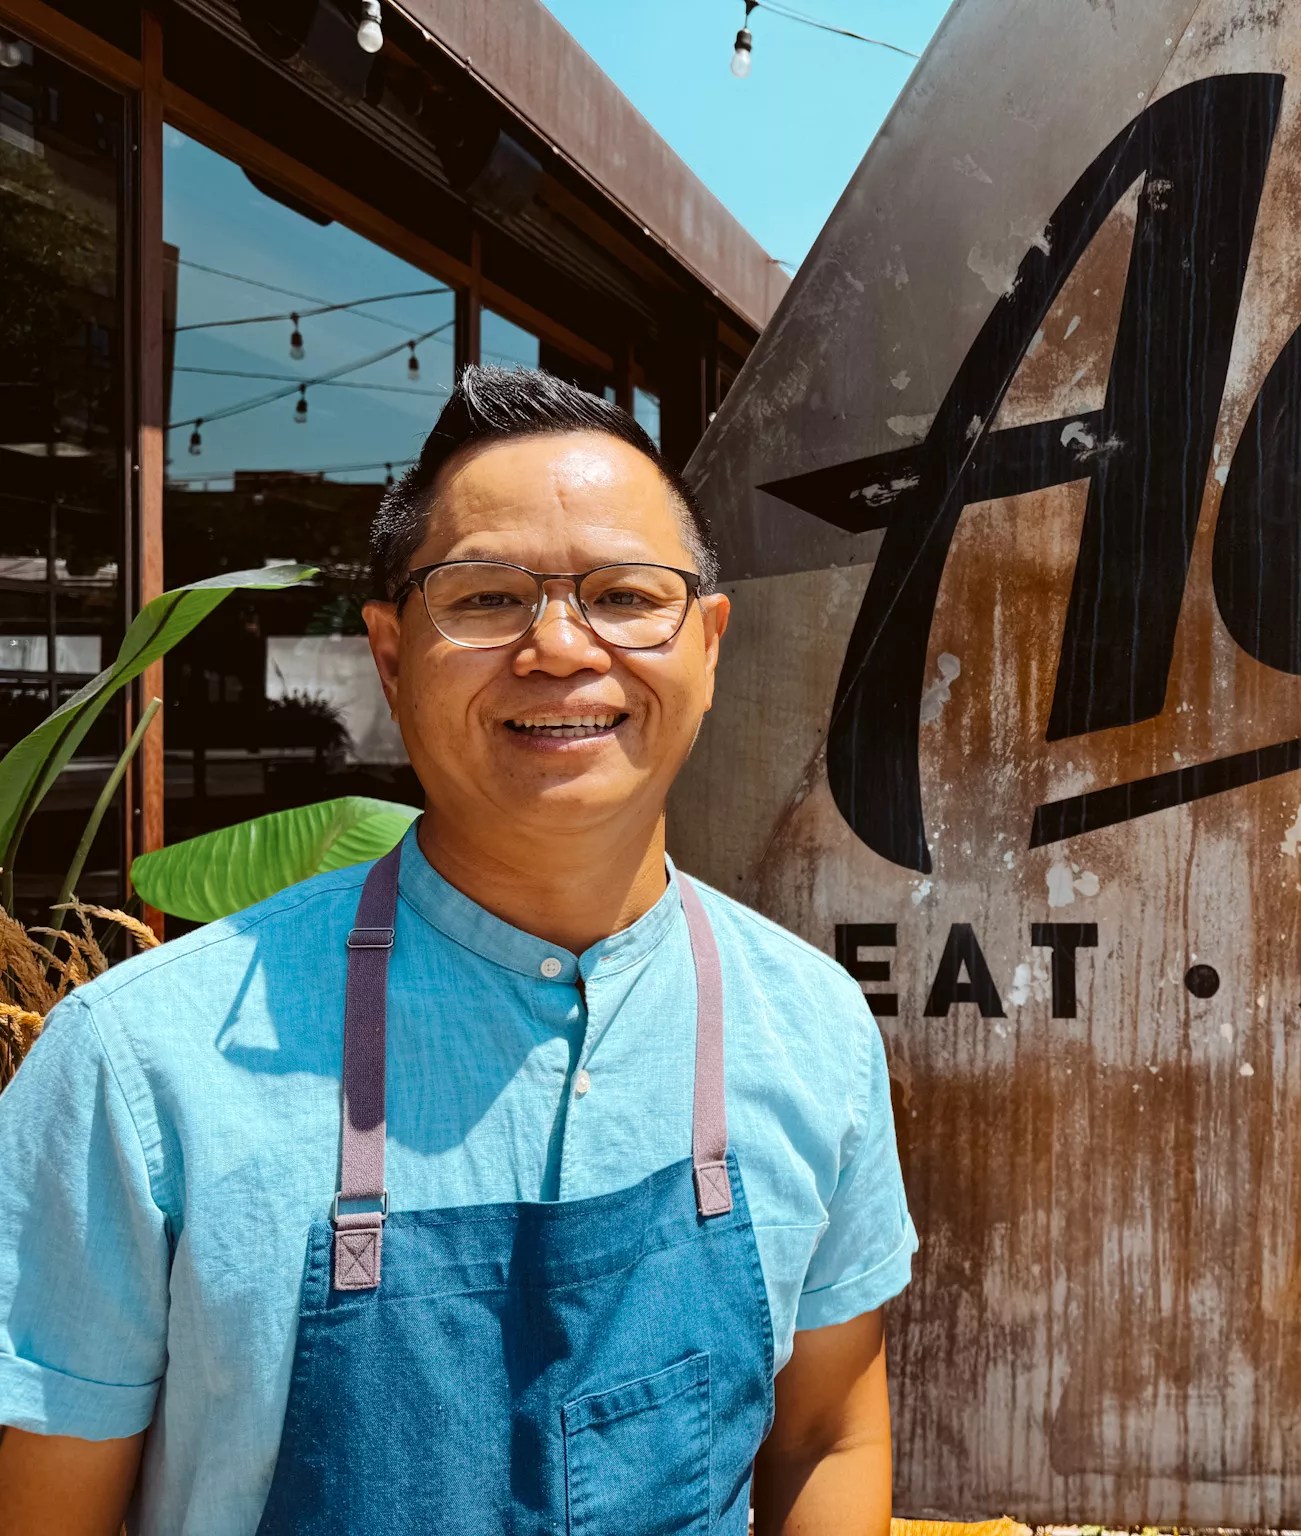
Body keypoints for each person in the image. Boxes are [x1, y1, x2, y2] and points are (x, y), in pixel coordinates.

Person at [0, 366, 916, 1535]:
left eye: (625, 595)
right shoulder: (140, 1064)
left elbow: (826, 1432)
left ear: (707, 642)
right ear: (390, 655)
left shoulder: (810, 1024)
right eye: (486, 599)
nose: (560, 647)